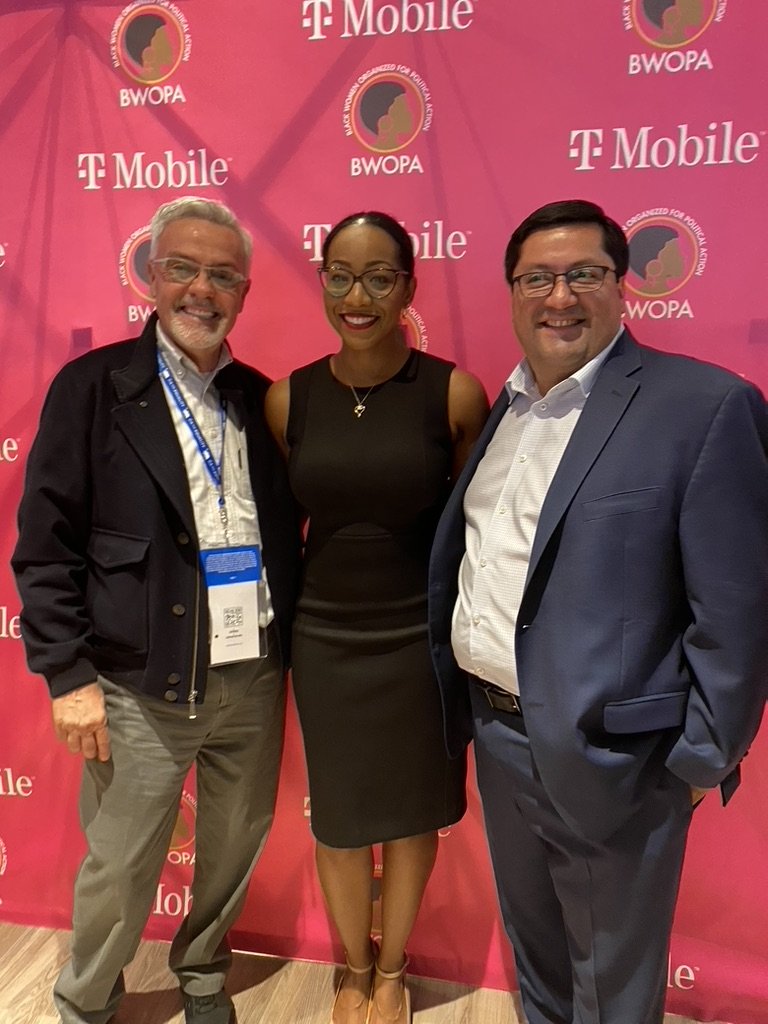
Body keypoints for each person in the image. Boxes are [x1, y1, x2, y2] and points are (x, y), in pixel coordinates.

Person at [428, 199, 768, 1024]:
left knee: (614, 990)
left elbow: (738, 606)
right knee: (536, 960)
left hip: (620, 763)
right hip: (500, 740)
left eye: (585, 274)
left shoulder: (704, 406)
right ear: (511, 292)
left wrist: (700, 760)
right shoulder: (506, 408)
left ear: (622, 287)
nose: (560, 296)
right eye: (538, 278)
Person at [12, 197, 302, 1024]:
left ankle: (203, 970)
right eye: (183, 268)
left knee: (234, 846)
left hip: (253, 674)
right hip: (140, 682)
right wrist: (68, 675)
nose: (201, 290)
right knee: (120, 862)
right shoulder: (95, 388)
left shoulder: (261, 399)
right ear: (151, 275)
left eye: (222, 275)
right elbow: (46, 543)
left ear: (243, 292)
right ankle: (85, 1001)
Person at [265, 211, 488, 1024]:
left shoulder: (454, 392)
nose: (356, 295)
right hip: (324, 637)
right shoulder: (289, 399)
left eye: (378, 277)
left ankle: (393, 970)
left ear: (408, 287)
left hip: (417, 642)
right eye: (339, 275)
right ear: (322, 278)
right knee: (343, 814)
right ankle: (351, 965)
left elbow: (476, 526)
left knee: (409, 813)